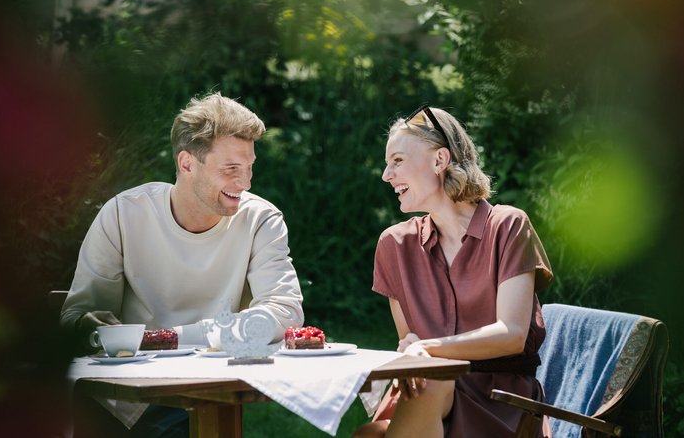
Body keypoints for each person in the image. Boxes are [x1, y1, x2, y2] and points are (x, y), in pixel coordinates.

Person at [60, 91, 304, 437]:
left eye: (249, 168)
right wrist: (89, 325)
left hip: (201, 393)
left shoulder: (260, 220)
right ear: (187, 164)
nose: (246, 183)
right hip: (116, 397)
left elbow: (286, 312)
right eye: (231, 169)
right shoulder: (124, 213)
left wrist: (174, 338)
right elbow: (76, 316)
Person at [354, 106, 552, 438]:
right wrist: (415, 347)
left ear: (439, 160)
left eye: (398, 161)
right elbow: (410, 341)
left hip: (498, 398)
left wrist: (428, 348)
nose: (386, 175)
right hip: (428, 393)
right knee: (366, 434)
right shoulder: (394, 245)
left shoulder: (507, 226)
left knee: (429, 383)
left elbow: (513, 334)